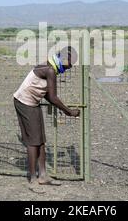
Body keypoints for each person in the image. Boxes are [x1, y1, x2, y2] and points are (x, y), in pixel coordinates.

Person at [13, 46, 80, 186]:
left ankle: (43, 175)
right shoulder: (50, 70)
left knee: (41, 140)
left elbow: (49, 96)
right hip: (24, 102)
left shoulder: (51, 68)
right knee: (33, 142)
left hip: (32, 102)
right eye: (70, 63)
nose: (70, 66)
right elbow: (53, 97)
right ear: (63, 59)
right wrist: (69, 111)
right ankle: (32, 178)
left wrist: (63, 108)